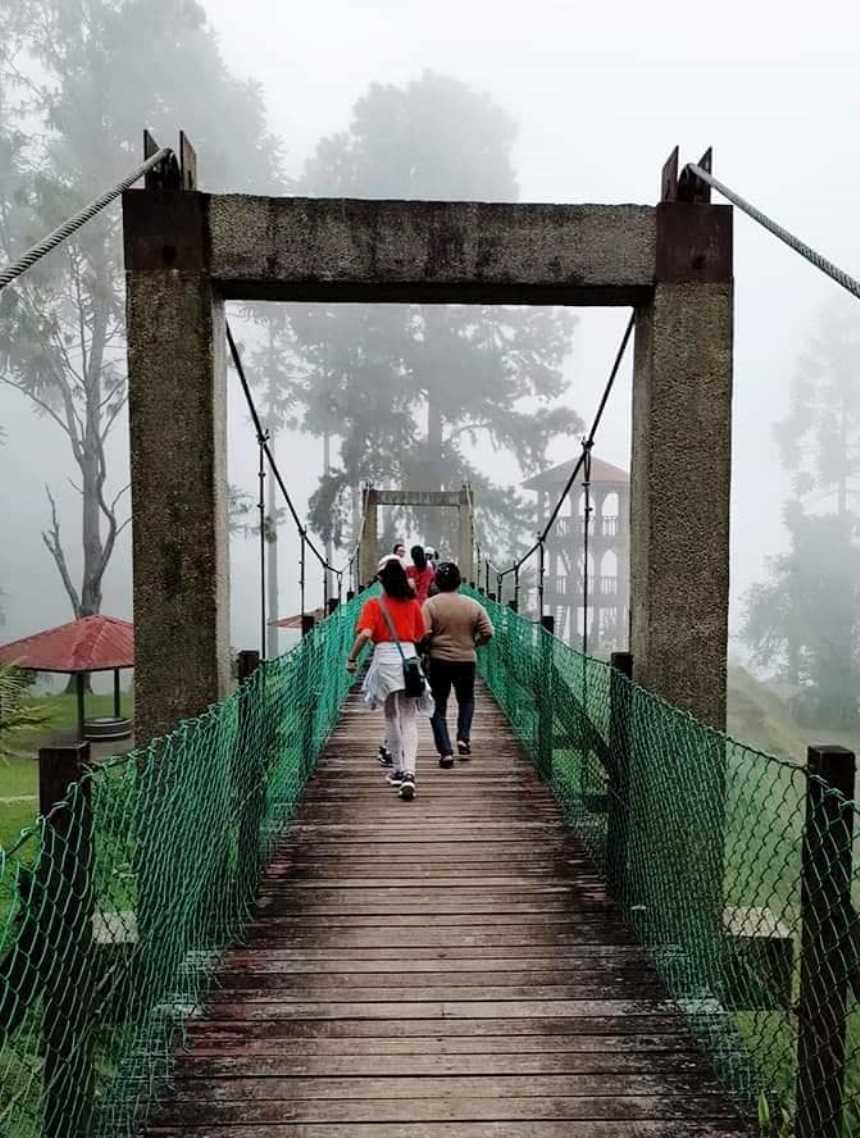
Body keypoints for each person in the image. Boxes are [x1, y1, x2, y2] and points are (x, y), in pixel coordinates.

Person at [346, 557, 433, 800]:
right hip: (408, 660)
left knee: (391, 716)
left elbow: (365, 634)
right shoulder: (413, 604)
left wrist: (351, 659)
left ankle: (397, 769)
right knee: (409, 718)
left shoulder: (374, 604)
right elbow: (419, 635)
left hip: (384, 661)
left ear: (382, 581)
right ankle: (410, 774)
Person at [422, 562, 494, 768]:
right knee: (466, 700)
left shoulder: (430, 604)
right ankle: (463, 737)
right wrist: (474, 643)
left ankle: (446, 752)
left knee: (437, 706)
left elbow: (424, 633)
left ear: (436, 582)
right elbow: (489, 632)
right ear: (459, 582)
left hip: (439, 661)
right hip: (466, 660)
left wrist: (427, 647)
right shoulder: (473, 604)